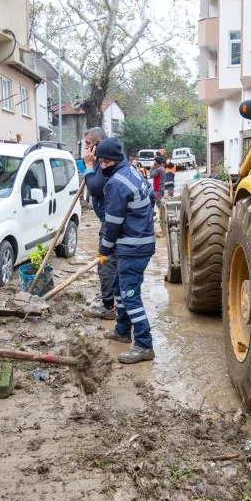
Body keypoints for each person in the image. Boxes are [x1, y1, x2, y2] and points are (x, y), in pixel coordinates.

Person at [95, 137, 156, 364]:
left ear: (112, 160)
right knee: (119, 288)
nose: (101, 166)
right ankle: (122, 330)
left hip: (133, 248)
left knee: (130, 297)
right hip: (140, 242)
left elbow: (112, 223)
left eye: (103, 162)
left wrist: (104, 250)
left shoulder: (116, 184)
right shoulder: (133, 171)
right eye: (99, 162)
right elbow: (150, 196)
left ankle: (143, 344)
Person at [82, 126, 119, 320]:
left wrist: (89, 167)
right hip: (110, 218)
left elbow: (95, 188)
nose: (85, 148)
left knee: (104, 262)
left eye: (88, 144)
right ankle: (112, 299)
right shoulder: (101, 161)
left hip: (111, 220)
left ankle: (108, 306)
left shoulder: (105, 164)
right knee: (112, 262)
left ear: (97, 144)